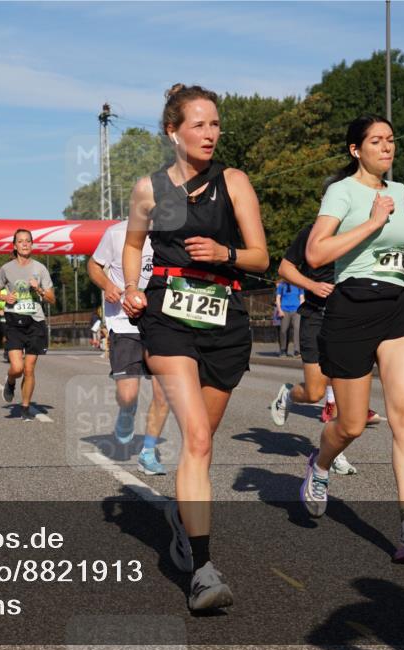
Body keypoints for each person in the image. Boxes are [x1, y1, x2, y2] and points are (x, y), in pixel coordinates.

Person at [122, 84, 269, 610]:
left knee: (198, 448)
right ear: (173, 132)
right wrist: (132, 287)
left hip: (225, 320)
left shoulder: (234, 182)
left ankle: (182, 520)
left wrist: (224, 251)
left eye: (215, 125)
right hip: (167, 318)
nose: (210, 134)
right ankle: (203, 571)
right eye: (199, 125)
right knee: (200, 440)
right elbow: (133, 245)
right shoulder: (148, 190)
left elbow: (260, 257)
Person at [303, 114, 404, 563]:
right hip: (352, 306)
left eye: (391, 139)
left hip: (399, 306)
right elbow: (316, 252)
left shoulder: (399, 192)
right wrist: (371, 221)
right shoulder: (341, 193)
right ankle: (320, 464)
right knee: (352, 424)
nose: (387, 147)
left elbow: (392, 249)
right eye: (377, 141)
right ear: (355, 150)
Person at [269, 224, 381, 474]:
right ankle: (288, 395)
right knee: (314, 393)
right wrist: (311, 286)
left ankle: (335, 452)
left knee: (342, 388)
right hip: (315, 316)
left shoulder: (362, 230)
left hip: (348, 320)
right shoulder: (312, 232)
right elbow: (284, 268)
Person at [89, 219, 171, 475]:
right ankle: (127, 409)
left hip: (162, 322)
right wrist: (108, 285)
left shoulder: (171, 233)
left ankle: (148, 452)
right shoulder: (116, 233)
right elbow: (93, 265)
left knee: (164, 393)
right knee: (127, 394)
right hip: (125, 324)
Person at [0, 229, 55, 421]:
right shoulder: (6, 269)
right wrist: (5, 296)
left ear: (32, 244)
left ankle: (25, 407)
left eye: (28, 241)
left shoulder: (40, 269)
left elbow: (52, 299)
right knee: (18, 367)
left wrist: (39, 289)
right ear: (15, 246)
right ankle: (10, 380)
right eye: (21, 241)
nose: (25, 244)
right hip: (14, 321)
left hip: (35, 321)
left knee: (29, 369)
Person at [275, 278, 302, 357]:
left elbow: (302, 298)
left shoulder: (299, 285)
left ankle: (297, 350)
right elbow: (278, 298)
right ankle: (283, 350)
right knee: (283, 330)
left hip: (296, 310)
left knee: (297, 329)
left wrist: (301, 309)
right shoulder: (281, 285)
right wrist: (279, 310)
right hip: (284, 310)